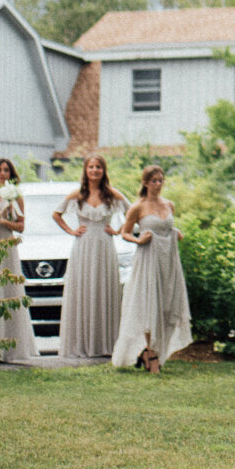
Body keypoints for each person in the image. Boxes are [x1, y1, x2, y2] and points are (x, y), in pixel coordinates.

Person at [112, 165, 192, 374]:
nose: (157, 184)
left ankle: (151, 351)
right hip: (149, 259)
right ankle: (152, 354)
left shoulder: (169, 205)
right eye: (153, 180)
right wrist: (139, 239)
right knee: (150, 304)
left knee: (167, 303)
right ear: (145, 182)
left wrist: (174, 231)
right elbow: (125, 233)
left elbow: (165, 226)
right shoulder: (138, 207)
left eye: (160, 180)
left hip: (169, 259)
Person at [53, 155, 128, 359]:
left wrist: (119, 229)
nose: (94, 170)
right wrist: (71, 230)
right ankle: (82, 343)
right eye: (91, 167)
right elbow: (56, 214)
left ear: (103, 171)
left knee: (103, 288)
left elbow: (131, 212)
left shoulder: (111, 194)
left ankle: (105, 343)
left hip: (104, 244)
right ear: (86, 170)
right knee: (84, 288)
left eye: (98, 167)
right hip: (83, 246)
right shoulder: (78, 194)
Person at [0, 158, 39, 364]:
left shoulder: (15, 196)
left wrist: (4, 221)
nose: (2, 173)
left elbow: (20, 226)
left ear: (11, 174)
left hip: (5, 243)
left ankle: (10, 344)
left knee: (7, 289)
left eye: (6, 170)